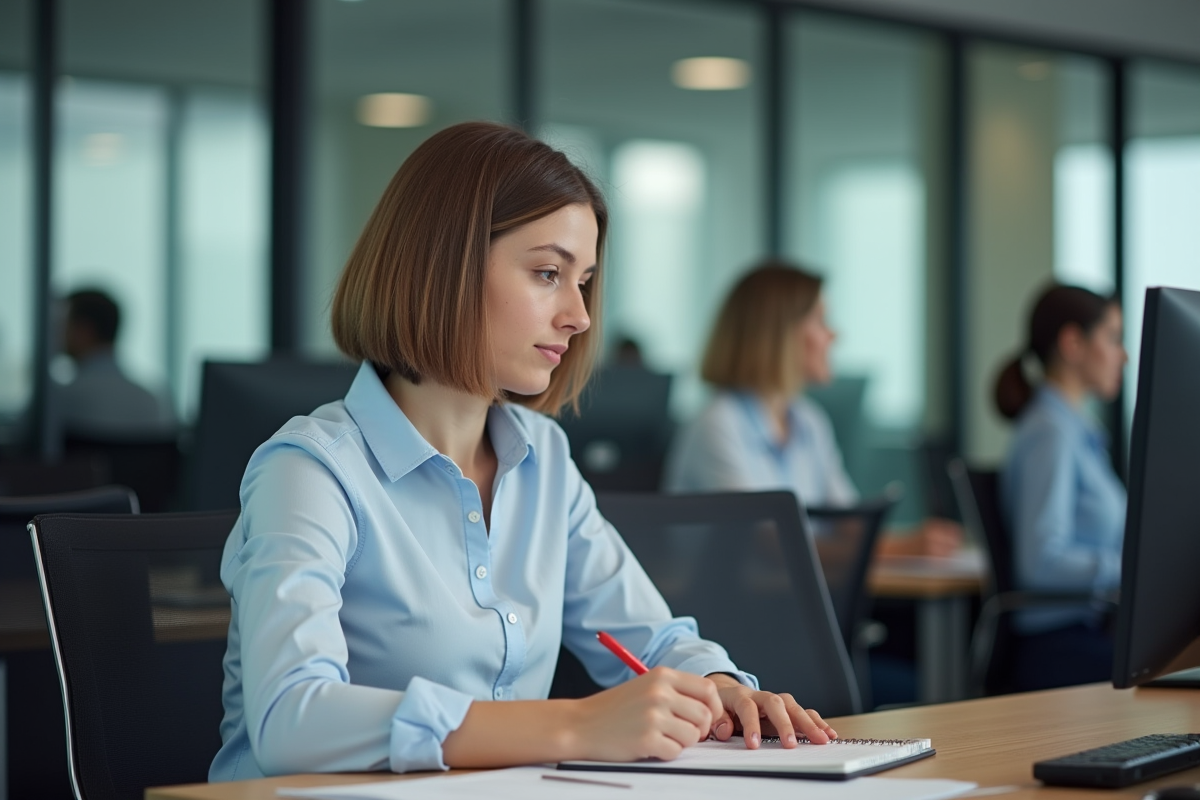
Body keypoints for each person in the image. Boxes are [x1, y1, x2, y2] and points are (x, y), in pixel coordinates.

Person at [209, 123, 837, 782]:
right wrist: (578, 725)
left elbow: (651, 639)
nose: (579, 315)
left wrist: (720, 685)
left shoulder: (543, 459)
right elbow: (290, 718)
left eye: (584, 282)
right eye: (547, 274)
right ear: (442, 266)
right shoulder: (310, 470)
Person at [665, 261, 961, 558]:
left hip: (792, 597)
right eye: (819, 320)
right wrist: (895, 549)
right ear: (778, 334)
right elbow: (765, 541)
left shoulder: (809, 420)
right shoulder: (718, 423)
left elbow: (847, 519)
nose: (833, 335)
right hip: (730, 602)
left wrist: (913, 540)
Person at [995, 284, 1127, 691]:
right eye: (1113, 338)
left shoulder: (1078, 431)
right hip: (1058, 647)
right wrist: (1132, 575)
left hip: (1089, 631)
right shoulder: (1050, 433)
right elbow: (1041, 562)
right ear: (1073, 343)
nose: (1123, 355)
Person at [57, 288, 175, 437]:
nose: (57, 334)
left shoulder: (61, 398)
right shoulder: (154, 400)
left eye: (61, 325)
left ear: (84, 330)